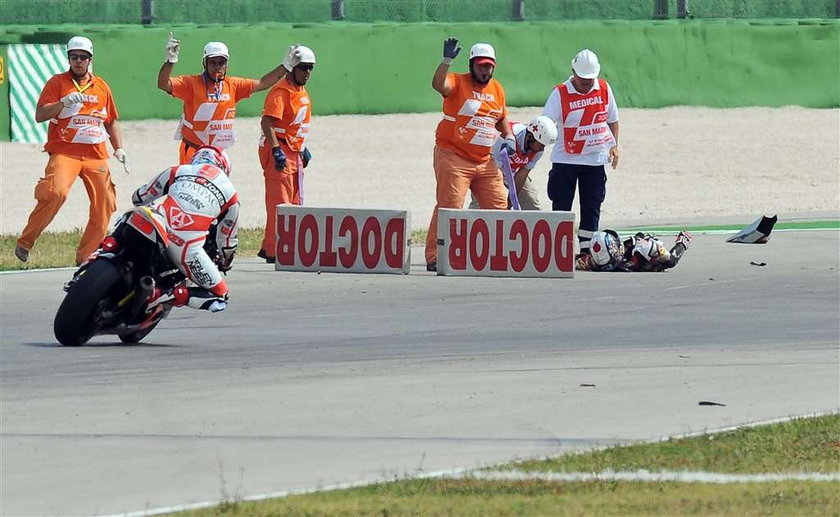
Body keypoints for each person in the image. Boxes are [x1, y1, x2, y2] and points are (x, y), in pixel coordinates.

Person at [15, 36, 128, 266]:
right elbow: (40, 115)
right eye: (74, 57)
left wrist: (119, 149)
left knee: (106, 202)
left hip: (95, 155)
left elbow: (111, 121)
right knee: (56, 192)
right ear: (69, 59)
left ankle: (86, 257)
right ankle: (25, 242)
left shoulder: (102, 86)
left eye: (83, 57)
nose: (78, 61)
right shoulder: (57, 83)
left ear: (90, 60)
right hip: (65, 153)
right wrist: (63, 103)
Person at [425, 38, 516, 272]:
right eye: (480, 65)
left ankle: (498, 252)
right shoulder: (457, 81)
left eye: (488, 66)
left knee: (498, 206)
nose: (485, 70)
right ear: (471, 64)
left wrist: (509, 138)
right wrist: (445, 61)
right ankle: (435, 255)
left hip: (485, 160)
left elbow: (501, 118)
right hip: (453, 156)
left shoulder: (497, 89)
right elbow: (438, 85)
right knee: (450, 205)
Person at [130, 146, 239, 312]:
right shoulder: (231, 195)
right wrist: (224, 262)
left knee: (128, 220)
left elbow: (139, 197)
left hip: (156, 221)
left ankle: (93, 261)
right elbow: (227, 243)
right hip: (186, 247)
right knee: (220, 296)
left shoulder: (178, 170)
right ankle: (162, 294)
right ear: (224, 168)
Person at [157, 33, 292, 163]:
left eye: (221, 63)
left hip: (217, 153)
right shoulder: (191, 84)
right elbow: (163, 84)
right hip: (193, 151)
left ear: (226, 64)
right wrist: (170, 61)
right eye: (213, 62)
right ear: (205, 64)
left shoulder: (233, 85)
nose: (217, 67)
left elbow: (263, 83)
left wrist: (286, 66)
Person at [541, 48, 619, 259]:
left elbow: (612, 119)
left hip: (595, 160)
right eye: (583, 78)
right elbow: (546, 122)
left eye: (590, 78)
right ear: (573, 72)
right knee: (562, 205)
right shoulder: (559, 93)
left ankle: (587, 252)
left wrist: (614, 146)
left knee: (592, 206)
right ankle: (561, 252)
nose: (587, 83)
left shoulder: (603, 88)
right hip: (565, 160)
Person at [256, 45, 316, 263]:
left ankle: (277, 246)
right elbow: (267, 121)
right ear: (293, 68)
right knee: (279, 204)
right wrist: (275, 149)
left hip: (294, 152)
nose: (307, 72)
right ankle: (275, 250)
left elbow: (294, 124)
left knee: (292, 202)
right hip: (279, 153)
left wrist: (302, 147)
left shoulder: (300, 91)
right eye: (303, 68)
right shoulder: (281, 92)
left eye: (310, 68)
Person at [468, 115, 558, 211]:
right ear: (530, 137)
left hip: (511, 171)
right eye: (541, 145)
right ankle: (467, 224)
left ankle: (532, 225)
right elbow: (494, 172)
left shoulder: (537, 150)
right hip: (487, 169)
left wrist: (511, 202)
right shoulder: (502, 138)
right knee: (481, 203)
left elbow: (522, 174)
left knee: (531, 202)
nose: (542, 149)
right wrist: (504, 202)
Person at [577, 229, 692, 272]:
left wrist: (657, 253)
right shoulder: (595, 260)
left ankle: (683, 240)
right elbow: (577, 261)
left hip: (646, 254)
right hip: (637, 261)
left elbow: (662, 253)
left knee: (669, 261)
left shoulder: (642, 249)